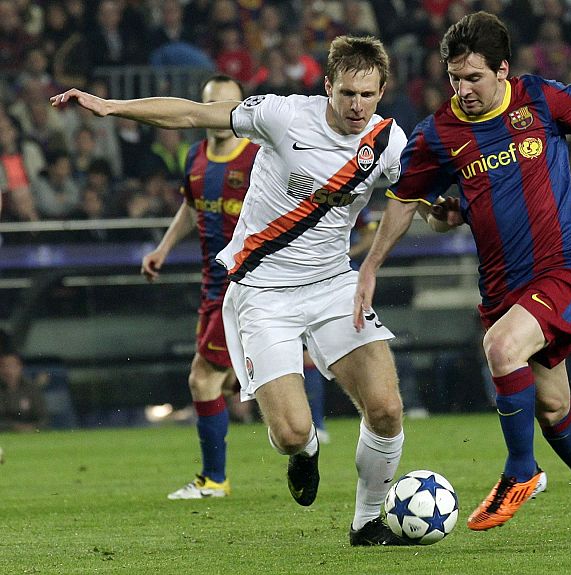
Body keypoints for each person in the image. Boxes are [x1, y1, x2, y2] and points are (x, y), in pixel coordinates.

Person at [353, 11, 571, 540]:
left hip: (566, 267)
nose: (463, 89)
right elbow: (407, 201)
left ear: (502, 70)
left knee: (501, 349)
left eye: (474, 77)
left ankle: (521, 470)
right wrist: (372, 265)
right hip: (504, 287)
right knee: (552, 405)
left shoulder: (541, 98)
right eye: (454, 78)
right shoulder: (440, 131)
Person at [52, 35, 409, 546]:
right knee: (288, 434)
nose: (357, 106)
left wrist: (421, 228)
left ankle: (368, 522)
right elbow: (193, 115)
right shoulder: (283, 117)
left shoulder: (389, 141)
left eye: (368, 96)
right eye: (347, 93)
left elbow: (408, 195)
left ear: (381, 92)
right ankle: (305, 452)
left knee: (387, 407)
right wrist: (111, 107)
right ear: (328, 85)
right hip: (262, 292)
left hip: (333, 285)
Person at [140, 75, 260, 500]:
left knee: (202, 379)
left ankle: (214, 481)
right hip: (210, 287)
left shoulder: (260, 157)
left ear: (243, 107)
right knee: (226, 383)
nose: (221, 112)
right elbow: (191, 208)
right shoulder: (195, 157)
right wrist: (163, 248)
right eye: (213, 104)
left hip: (244, 287)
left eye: (229, 104)